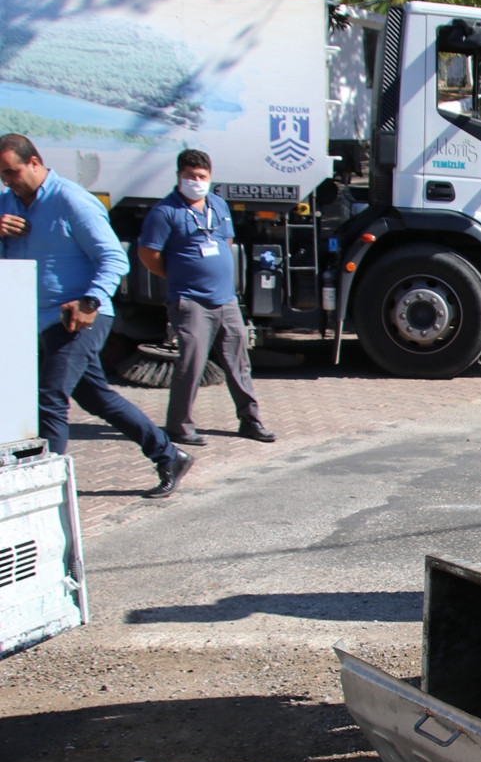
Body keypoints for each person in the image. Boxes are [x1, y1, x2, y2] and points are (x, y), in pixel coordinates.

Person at [0, 133, 193, 499]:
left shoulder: (71, 200)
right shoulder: (6, 204)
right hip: (33, 316)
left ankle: (42, 492)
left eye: (12, 172)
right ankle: (169, 455)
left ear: (35, 163)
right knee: (95, 397)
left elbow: (114, 259)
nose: (7, 181)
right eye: (2, 175)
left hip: (78, 315)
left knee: (50, 396)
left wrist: (89, 302)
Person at [137, 149, 275, 446]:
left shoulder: (218, 204)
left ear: (210, 177)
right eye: (190, 176)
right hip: (190, 300)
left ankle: (250, 421)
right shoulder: (165, 212)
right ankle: (179, 426)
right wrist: (179, 277)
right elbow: (148, 254)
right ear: (179, 177)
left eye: (202, 177)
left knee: (239, 363)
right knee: (192, 364)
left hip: (225, 299)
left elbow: (226, 241)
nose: (196, 182)